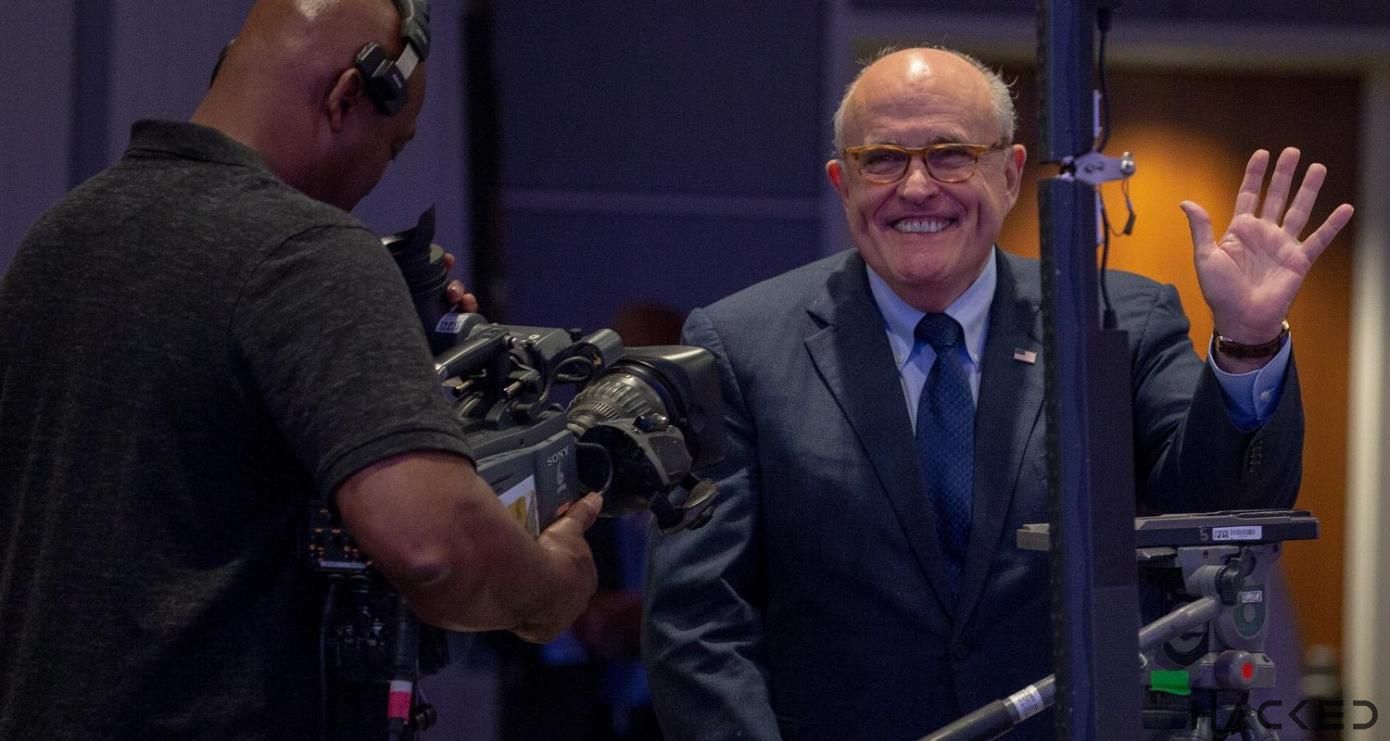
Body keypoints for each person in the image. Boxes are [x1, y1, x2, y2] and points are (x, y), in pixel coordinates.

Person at [643, 47, 1353, 741]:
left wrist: (1249, 340)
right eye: (882, 158)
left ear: (1011, 174)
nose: (916, 188)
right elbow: (698, 620)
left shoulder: (1116, 321)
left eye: (951, 154)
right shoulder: (741, 344)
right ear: (842, 182)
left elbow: (1225, 507)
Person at [0, 1, 600, 739]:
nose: (380, 177)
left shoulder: (60, 238)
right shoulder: (308, 251)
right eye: (394, 147)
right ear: (346, 96)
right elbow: (432, 547)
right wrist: (552, 587)